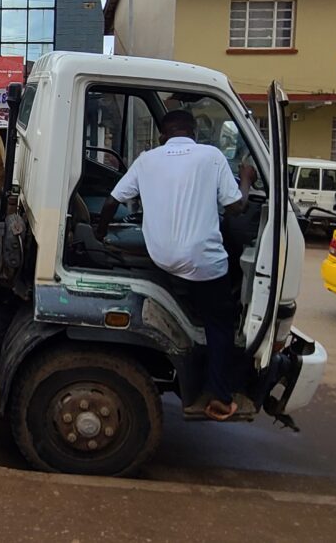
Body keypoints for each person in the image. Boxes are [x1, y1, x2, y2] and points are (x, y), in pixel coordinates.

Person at [95, 109, 256, 421]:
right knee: (221, 323)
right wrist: (247, 180)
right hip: (204, 264)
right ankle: (221, 396)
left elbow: (112, 201)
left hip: (162, 259)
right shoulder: (210, 156)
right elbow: (236, 207)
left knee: (195, 289)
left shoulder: (146, 159)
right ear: (194, 133)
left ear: (162, 136)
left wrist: (100, 234)